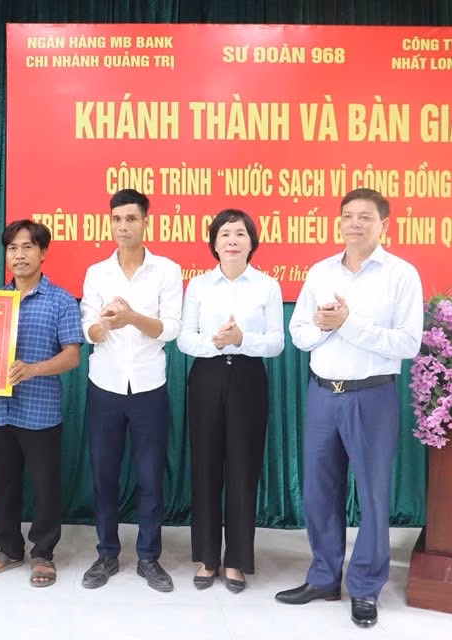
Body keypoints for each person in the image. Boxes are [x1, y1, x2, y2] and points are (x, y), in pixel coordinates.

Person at [277, 188, 423, 628]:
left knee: (374, 495)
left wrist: (349, 323)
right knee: (319, 490)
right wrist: (326, 326)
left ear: (384, 225)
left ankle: (365, 586)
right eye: (347, 216)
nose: (354, 224)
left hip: (372, 395)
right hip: (323, 393)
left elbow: (407, 343)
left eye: (365, 217)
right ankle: (324, 577)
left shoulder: (401, 274)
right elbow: (299, 334)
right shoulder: (321, 271)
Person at [79, 188, 182, 593]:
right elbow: (88, 328)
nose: (123, 226)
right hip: (104, 385)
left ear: (145, 223)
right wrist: (103, 325)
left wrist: (133, 318)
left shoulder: (166, 271)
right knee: (104, 474)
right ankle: (106, 553)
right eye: (117, 219)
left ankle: (149, 557)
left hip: (148, 387)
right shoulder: (97, 273)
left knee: (150, 477)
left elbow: (170, 329)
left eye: (131, 219)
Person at [176, 209, 283, 594]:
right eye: (225, 234)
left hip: (248, 378)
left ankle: (236, 559)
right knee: (205, 467)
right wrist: (216, 342)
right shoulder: (199, 285)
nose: (233, 240)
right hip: (207, 375)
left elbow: (276, 343)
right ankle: (207, 557)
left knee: (243, 468)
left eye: (240, 233)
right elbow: (184, 339)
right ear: (214, 243)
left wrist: (241, 340)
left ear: (252, 242)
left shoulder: (267, 286)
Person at [0, 220, 82, 588]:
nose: (19, 255)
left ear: (43, 253)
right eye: (12, 248)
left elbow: (72, 356)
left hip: (40, 412)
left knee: (45, 486)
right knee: (3, 484)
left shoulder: (61, 300)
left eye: (27, 247)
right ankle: (9, 549)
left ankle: (43, 554)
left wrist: (33, 369)